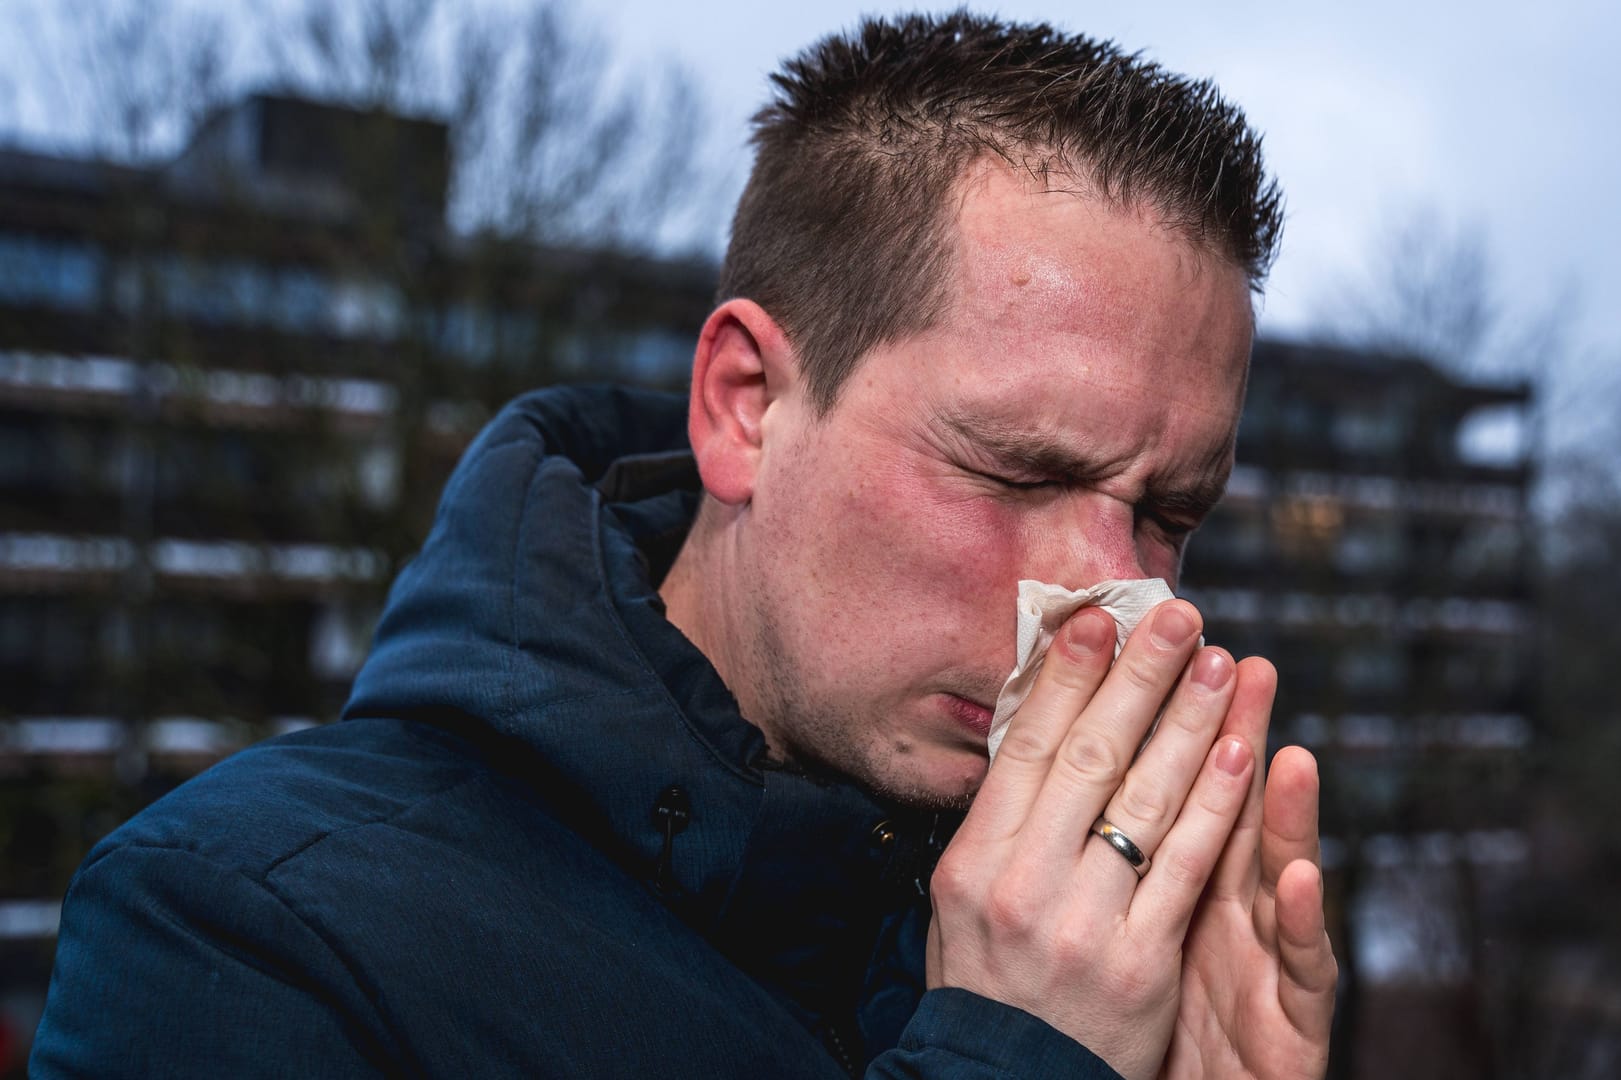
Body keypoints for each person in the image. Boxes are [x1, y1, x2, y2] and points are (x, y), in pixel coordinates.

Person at [32, 11, 1336, 1078]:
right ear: (745, 408)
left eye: (1170, 517)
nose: (1112, 608)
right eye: (1015, 471)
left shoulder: (1100, 957)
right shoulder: (243, 933)